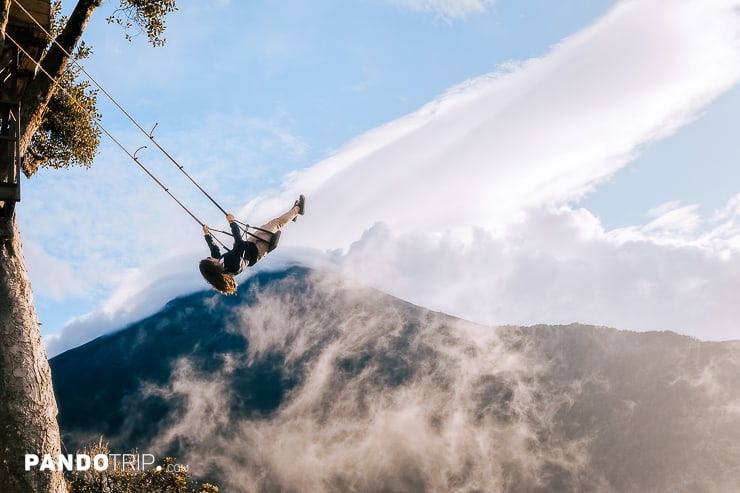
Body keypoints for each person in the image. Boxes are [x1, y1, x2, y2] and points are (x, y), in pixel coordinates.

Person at [199, 195, 305, 294]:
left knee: (271, 224)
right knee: (276, 223)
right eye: (208, 259)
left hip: (250, 244)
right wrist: (232, 222)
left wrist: (207, 234)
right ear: (213, 266)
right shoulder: (232, 266)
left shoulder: (220, 264)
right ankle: (298, 210)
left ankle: (292, 215)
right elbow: (239, 244)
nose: (209, 257)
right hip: (259, 249)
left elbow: (214, 250)